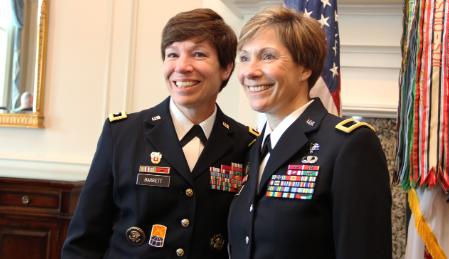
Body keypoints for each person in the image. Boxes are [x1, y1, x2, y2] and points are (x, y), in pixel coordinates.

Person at [62, 8, 257, 259]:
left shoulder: (247, 142)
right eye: (172, 54)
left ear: (226, 69)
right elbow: (84, 240)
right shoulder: (122, 133)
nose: (182, 67)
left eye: (198, 54)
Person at [227, 6, 392, 259]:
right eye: (245, 57)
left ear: (305, 68)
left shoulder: (347, 145)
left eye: (268, 56)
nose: (250, 71)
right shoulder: (252, 148)